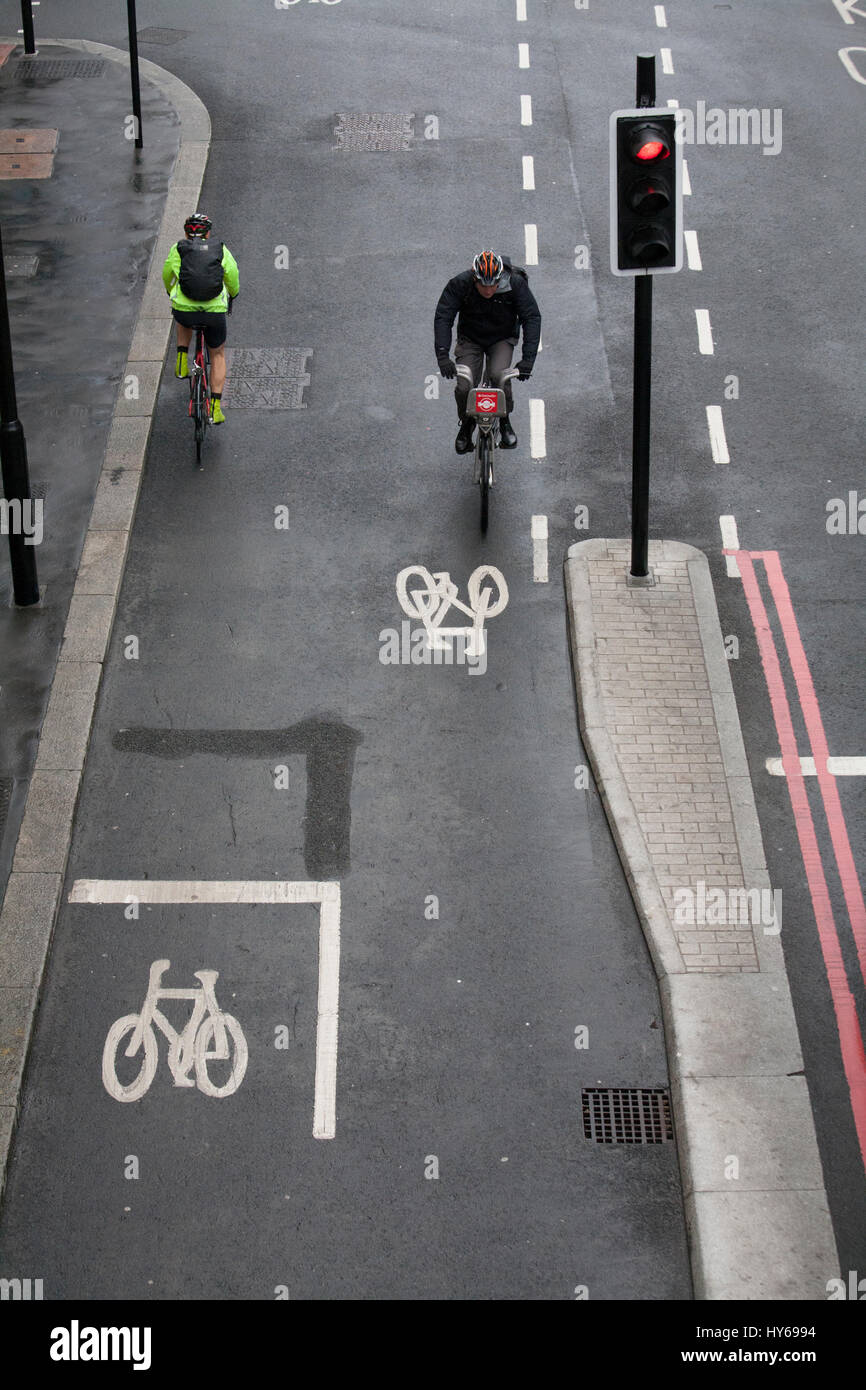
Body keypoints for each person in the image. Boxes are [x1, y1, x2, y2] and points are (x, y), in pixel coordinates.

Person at [434, 250, 541, 454]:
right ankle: (467, 425)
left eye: (493, 284)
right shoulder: (460, 284)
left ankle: (505, 421)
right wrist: (442, 356)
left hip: (501, 338)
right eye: (483, 285)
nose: (488, 290)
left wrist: (528, 360)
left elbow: (532, 318)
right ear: (475, 279)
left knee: (499, 377)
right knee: (465, 385)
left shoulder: (515, 284)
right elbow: (443, 317)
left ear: (500, 278)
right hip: (471, 339)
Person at [162, 213, 239, 424]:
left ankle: (181, 360)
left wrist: (171, 292)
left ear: (186, 233)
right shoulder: (220, 249)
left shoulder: (179, 248)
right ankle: (215, 409)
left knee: (182, 314)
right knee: (217, 355)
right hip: (214, 313)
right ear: (209, 232)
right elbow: (232, 277)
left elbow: (167, 274)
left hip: (185, 311)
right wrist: (233, 294)